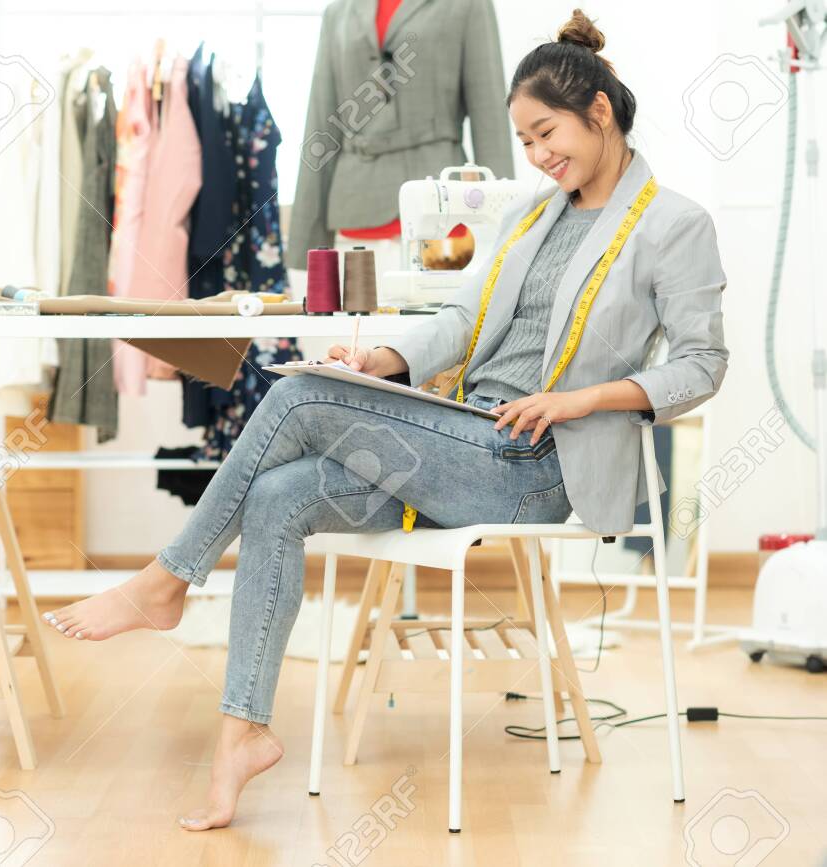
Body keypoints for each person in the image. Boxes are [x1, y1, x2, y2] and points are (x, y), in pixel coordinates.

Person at [43, 8, 728, 831]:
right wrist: (386, 364)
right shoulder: (531, 217)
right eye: (529, 140)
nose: (541, 157)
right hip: (462, 441)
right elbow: (460, 323)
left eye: (549, 135)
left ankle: (165, 580)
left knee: (296, 395)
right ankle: (243, 734)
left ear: (602, 113)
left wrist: (579, 398)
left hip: (536, 465)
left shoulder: (673, 225)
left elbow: (701, 366)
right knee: (279, 496)